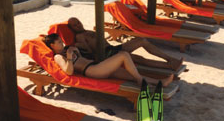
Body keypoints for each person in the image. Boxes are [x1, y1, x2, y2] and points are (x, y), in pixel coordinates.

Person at [42, 33, 173, 86]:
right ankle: (141, 81)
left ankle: (160, 82)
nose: (62, 43)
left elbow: (85, 56)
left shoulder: (68, 49)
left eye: (61, 40)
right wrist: (70, 58)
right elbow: (68, 72)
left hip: (97, 66)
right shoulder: (58, 56)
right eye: (59, 42)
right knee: (123, 55)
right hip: (91, 71)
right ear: (52, 45)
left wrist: (78, 50)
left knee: (131, 74)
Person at [65, 17, 184, 70]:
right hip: (107, 55)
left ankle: (170, 60)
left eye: (78, 22)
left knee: (141, 40)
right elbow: (90, 52)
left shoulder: (88, 31)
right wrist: (79, 46)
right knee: (139, 59)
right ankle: (170, 65)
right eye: (75, 25)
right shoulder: (79, 37)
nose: (78, 25)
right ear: (72, 28)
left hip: (112, 48)